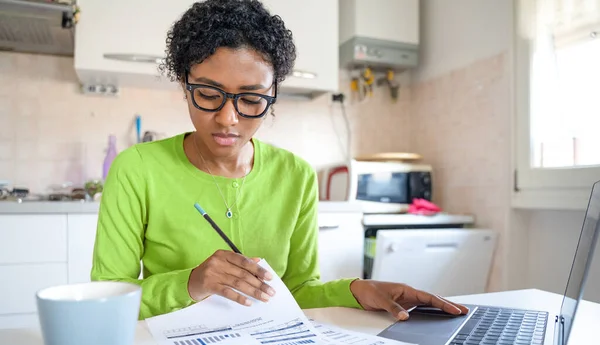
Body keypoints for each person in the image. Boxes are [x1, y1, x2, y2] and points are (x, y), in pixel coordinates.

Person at [91, 0, 469, 321]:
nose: (228, 119)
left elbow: (299, 291)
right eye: (208, 94)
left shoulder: (296, 175)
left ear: (273, 94)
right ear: (184, 85)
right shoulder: (136, 169)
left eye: (251, 99)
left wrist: (357, 290)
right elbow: (107, 299)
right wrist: (191, 283)